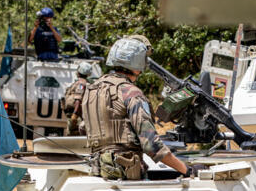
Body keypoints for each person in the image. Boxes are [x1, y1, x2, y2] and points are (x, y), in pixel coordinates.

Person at [81, 37, 189, 180]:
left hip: (98, 172)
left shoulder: (92, 90)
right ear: (138, 62)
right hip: (126, 174)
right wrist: (186, 170)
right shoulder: (131, 93)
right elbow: (152, 146)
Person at [63, 61, 94, 136]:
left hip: (77, 115)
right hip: (75, 114)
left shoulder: (81, 83)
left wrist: (75, 115)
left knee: (72, 136)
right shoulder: (82, 82)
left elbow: (78, 99)